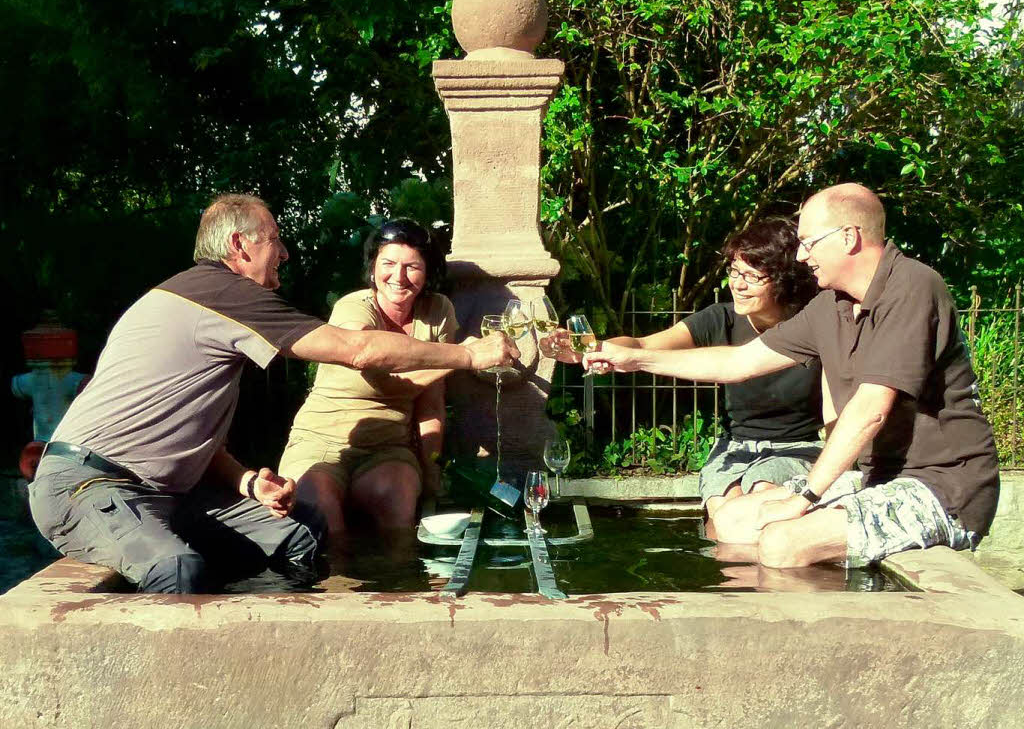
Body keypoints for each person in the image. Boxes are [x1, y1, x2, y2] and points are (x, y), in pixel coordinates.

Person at [28, 194, 517, 593]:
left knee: (298, 533)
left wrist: (245, 483)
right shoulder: (224, 295)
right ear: (240, 245)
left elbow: (187, 435)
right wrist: (470, 356)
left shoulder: (209, 301)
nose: (283, 253)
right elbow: (359, 349)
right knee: (175, 569)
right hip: (89, 485)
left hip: (168, 491)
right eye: (276, 240)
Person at [585, 183, 999, 570]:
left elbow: (871, 409)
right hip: (879, 479)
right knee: (731, 522)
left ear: (849, 237)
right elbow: (739, 363)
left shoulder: (911, 286)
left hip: (942, 489)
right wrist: (635, 359)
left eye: (809, 242)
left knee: (784, 542)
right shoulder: (831, 307)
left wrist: (805, 495)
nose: (801, 256)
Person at [543, 219, 829, 541]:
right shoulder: (720, 318)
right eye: (734, 271)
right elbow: (643, 345)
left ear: (784, 280)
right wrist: (594, 350)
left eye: (752, 276)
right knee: (722, 516)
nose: (738, 284)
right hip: (735, 448)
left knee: (759, 503)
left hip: (797, 448)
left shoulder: (811, 325)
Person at [279, 219, 455, 541]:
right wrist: (462, 358)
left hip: (387, 447)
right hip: (320, 442)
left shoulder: (438, 311)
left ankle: (403, 586)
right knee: (320, 516)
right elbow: (377, 367)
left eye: (412, 266)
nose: (398, 277)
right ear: (373, 268)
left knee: (398, 500)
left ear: (428, 272)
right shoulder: (354, 307)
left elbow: (430, 404)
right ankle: (338, 589)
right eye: (388, 263)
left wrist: (432, 470)